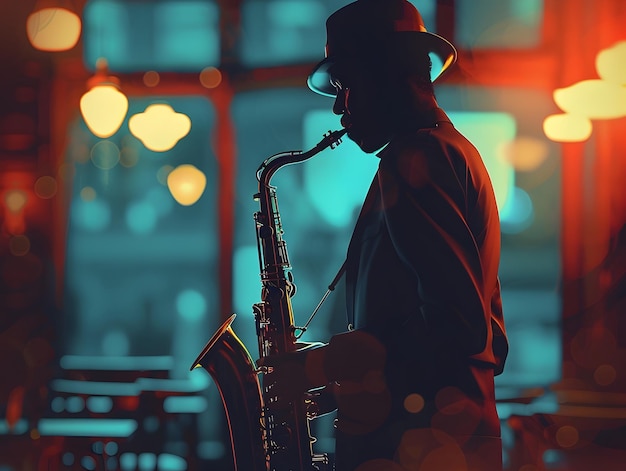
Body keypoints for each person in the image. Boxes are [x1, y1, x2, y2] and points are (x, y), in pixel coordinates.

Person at [261, 1, 509, 470]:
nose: (338, 106)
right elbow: (484, 337)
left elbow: (459, 328)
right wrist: (345, 378)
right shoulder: (450, 152)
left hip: (423, 446)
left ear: (388, 75)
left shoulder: (418, 161)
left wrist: (319, 367)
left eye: (345, 86)